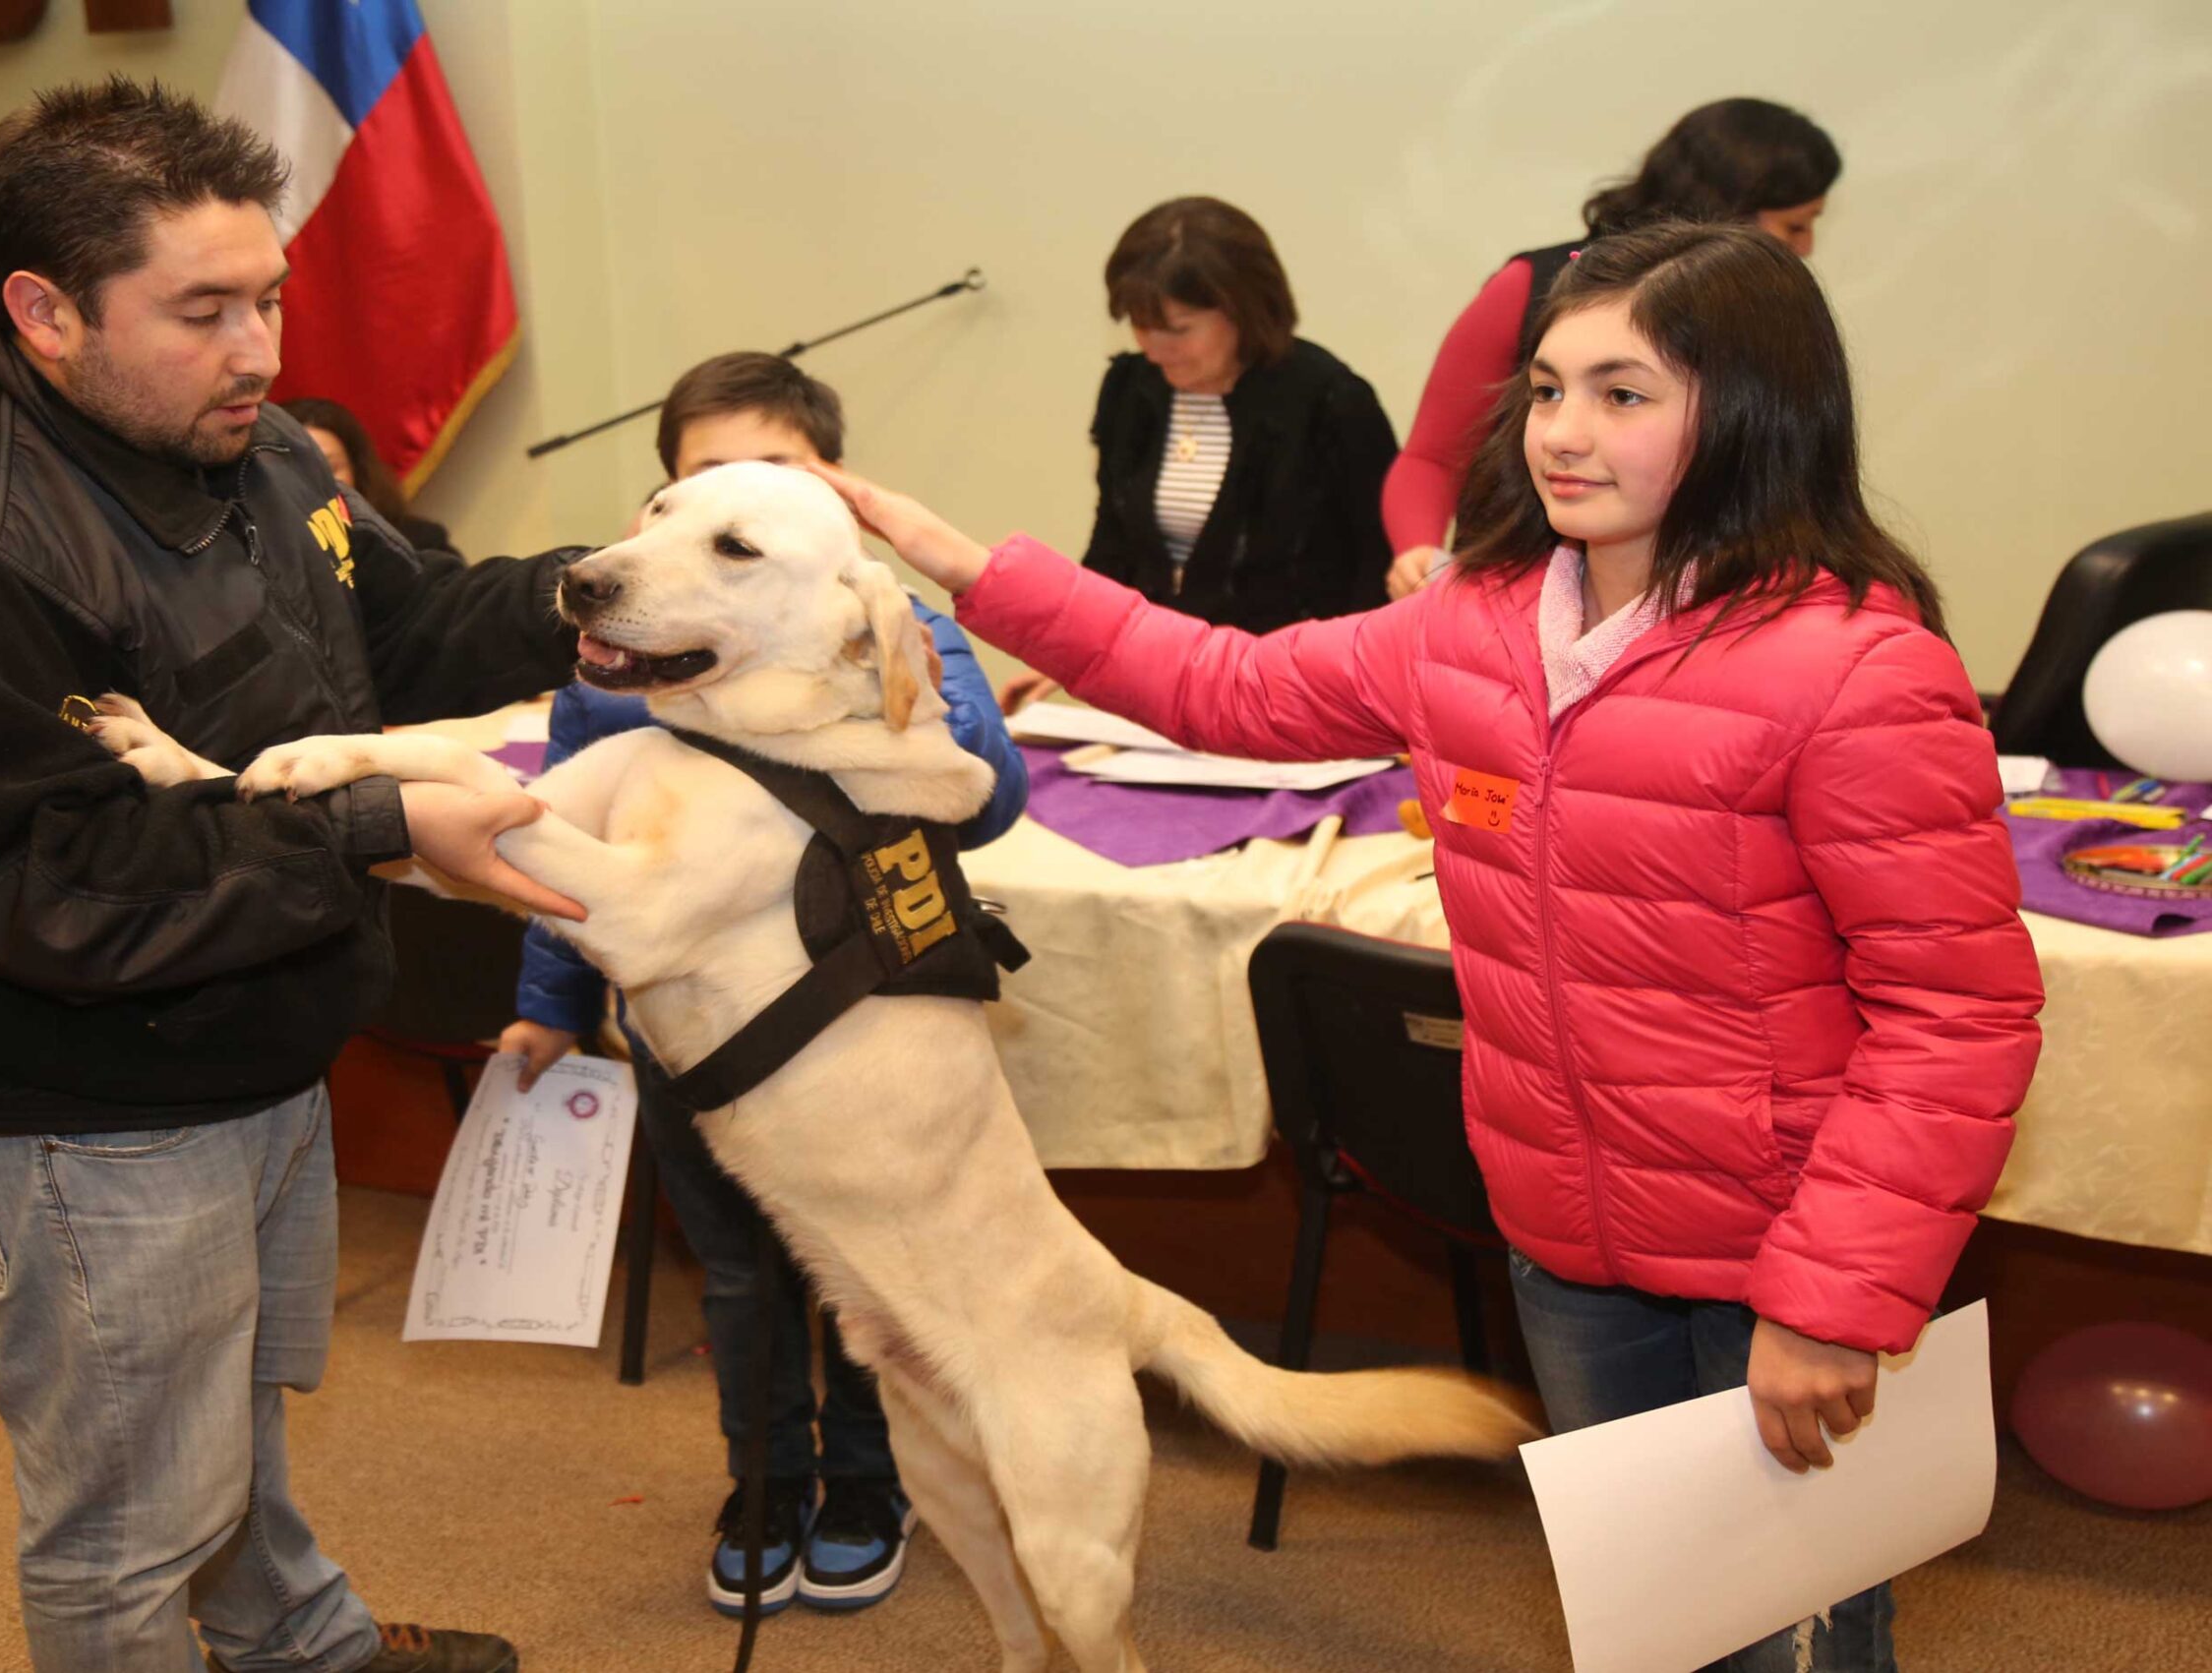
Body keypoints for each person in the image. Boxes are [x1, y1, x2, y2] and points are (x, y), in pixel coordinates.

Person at [816, 221, 2044, 1673]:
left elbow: (1956, 1012)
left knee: (1796, 1637)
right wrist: (975, 567)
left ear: (1755, 408)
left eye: (1623, 393)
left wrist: (1837, 1298)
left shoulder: (1854, 666)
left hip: (1771, 1252)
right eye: (1545, 390)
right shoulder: (1473, 622)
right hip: (1567, 1236)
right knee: (1654, 1611)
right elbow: (1222, 684)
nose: (1563, 434)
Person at [0, 78, 586, 1673]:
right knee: (126, 1526)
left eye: (271, 298)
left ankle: (300, 1644)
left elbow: (404, 620)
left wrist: (619, 589)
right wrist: (375, 829)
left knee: (220, 1420)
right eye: (206, 310)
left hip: (249, 1018)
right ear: (46, 312)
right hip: (83, 1103)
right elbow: (60, 888)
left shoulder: (243, 431)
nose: (266, 353)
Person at [497, 351, 1029, 1618]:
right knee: (735, 1272)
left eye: (769, 488)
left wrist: (896, 697)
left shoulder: (892, 629)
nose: (714, 522)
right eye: (687, 491)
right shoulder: (618, 666)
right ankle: (765, 1480)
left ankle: (865, 1478)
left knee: (870, 1263)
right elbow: (547, 846)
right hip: (700, 1038)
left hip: (853, 1022)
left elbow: (994, 798)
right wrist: (548, 1003)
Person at [1382, 97, 1841, 601]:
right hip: (1509, 604)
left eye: (1622, 395)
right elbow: (1434, 456)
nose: (1806, 248)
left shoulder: (1771, 327)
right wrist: (1417, 553)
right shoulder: (1529, 287)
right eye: (1546, 392)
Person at [1003, 197, 1399, 712]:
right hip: (1157, 685)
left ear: (1245, 310)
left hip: (1295, 694)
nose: (1153, 346)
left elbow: (1377, 571)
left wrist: (1353, 698)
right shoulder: (1132, 390)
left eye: (1178, 328)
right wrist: (1060, 649)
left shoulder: (1331, 401)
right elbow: (1115, 547)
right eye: (1140, 326)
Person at [283, 395, 460, 557]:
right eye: (301, 469)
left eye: (330, 468)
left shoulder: (417, 543)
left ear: (357, 472)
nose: (316, 482)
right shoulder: (264, 560)